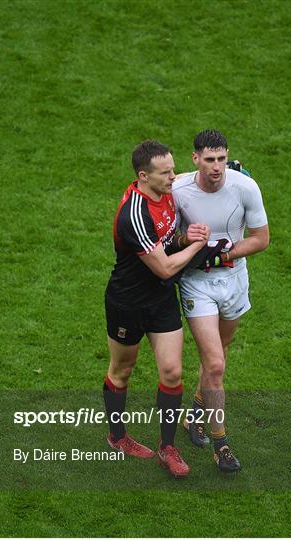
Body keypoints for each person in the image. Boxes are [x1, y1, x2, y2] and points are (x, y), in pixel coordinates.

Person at [103, 140, 210, 478]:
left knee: (172, 372)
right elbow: (164, 268)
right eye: (165, 173)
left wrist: (183, 238)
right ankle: (117, 437)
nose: (173, 177)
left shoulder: (165, 193)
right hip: (127, 303)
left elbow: (167, 241)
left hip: (161, 299)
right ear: (143, 176)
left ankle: (168, 446)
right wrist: (196, 246)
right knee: (122, 370)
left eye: (173, 168)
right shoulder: (133, 214)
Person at [172, 129, 269, 472]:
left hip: (234, 280)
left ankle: (194, 413)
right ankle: (221, 444)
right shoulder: (179, 190)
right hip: (197, 285)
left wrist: (222, 256)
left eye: (222, 160)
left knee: (220, 357)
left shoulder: (245, 187)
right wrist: (186, 241)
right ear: (195, 158)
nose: (217, 167)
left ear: (229, 158)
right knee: (214, 365)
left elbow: (261, 239)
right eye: (209, 160)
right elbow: (166, 230)